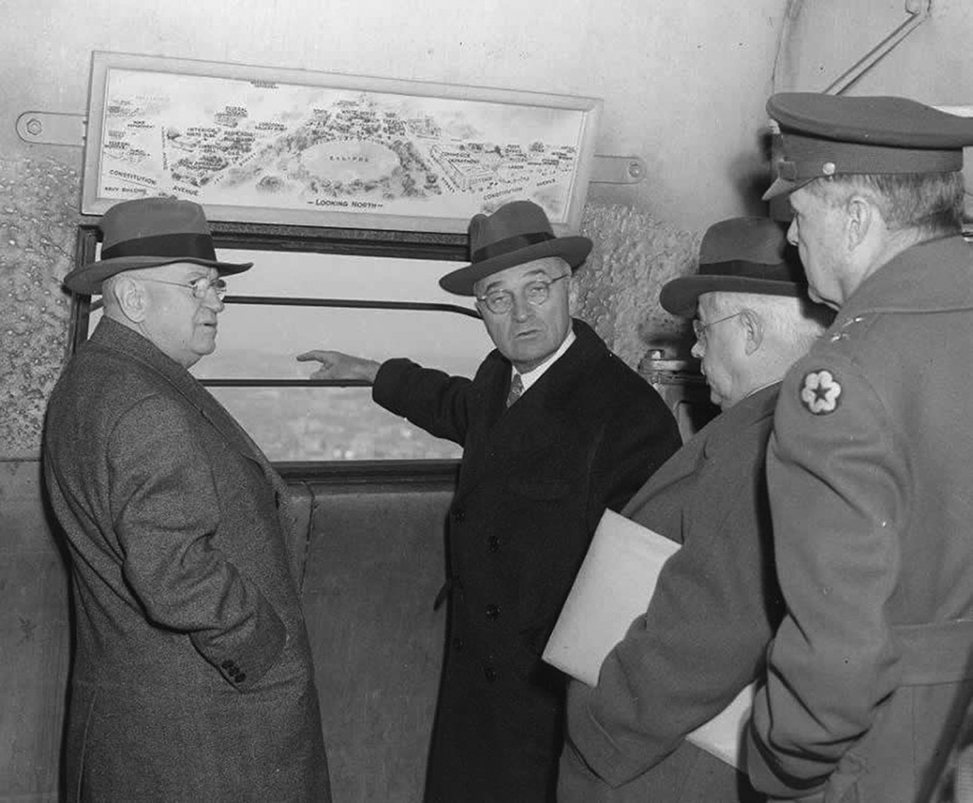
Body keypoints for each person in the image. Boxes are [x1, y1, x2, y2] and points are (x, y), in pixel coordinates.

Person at [298, 199, 681, 802]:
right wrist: (372, 373)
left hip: (548, 692)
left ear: (570, 291)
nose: (521, 314)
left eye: (537, 288)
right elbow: (456, 406)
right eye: (497, 298)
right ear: (480, 311)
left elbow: (638, 593)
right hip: (478, 665)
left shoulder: (629, 415)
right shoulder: (500, 377)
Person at [42, 198, 332, 802]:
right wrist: (265, 650)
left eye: (217, 285)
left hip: (144, 709)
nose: (217, 300)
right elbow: (175, 573)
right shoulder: (147, 407)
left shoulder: (91, 381)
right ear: (134, 299)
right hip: (202, 725)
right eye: (196, 284)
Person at [745, 92, 973, 802]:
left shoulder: (840, 377)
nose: (789, 240)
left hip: (889, 756)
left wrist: (779, 760)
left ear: (854, 217)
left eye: (799, 216)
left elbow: (836, 661)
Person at [558, 216, 832, 802]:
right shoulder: (812, 427)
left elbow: (703, 642)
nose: (697, 348)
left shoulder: (753, 449)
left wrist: (597, 728)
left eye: (705, 329)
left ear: (751, 330)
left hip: (662, 769)